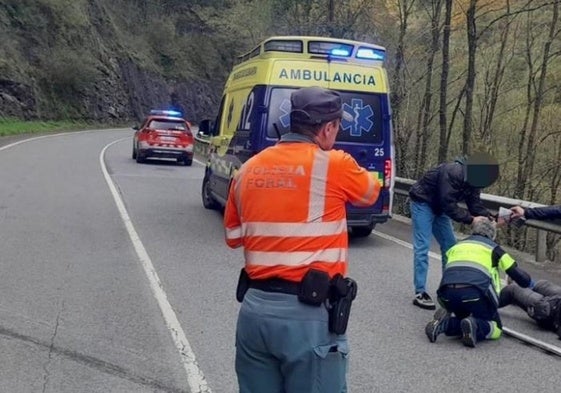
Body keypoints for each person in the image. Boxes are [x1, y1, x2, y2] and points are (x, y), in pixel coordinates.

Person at [223, 86, 381, 393]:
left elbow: (233, 237)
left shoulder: (247, 170)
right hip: (307, 317)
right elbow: (370, 192)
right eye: (337, 127)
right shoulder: (334, 164)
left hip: (255, 313)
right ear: (329, 127)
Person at [424, 218, 534, 347]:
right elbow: (521, 277)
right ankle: (475, 325)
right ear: (492, 235)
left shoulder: (457, 246)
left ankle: (445, 324)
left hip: (446, 295)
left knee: (463, 318)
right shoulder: (494, 249)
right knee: (495, 327)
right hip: (475, 294)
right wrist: (532, 285)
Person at [409, 153, 499, 309]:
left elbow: (474, 205)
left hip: (441, 208)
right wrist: (471, 220)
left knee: (451, 248)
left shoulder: (474, 182)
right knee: (423, 246)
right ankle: (420, 292)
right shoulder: (453, 172)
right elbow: (448, 203)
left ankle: (449, 287)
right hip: (423, 202)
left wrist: (490, 217)